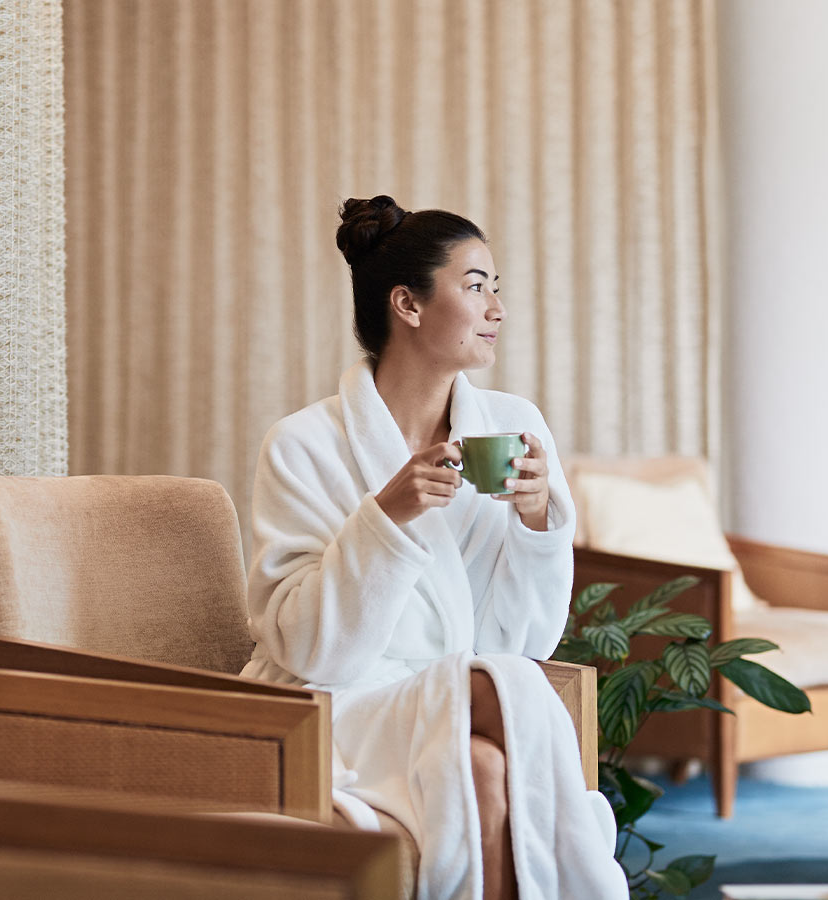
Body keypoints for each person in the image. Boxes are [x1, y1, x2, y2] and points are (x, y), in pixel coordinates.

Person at [239, 196, 626, 899]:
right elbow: (307, 650)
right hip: (336, 705)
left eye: (496, 287)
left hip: (456, 699)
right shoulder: (303, 445)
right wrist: (386, 518)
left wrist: (538, 524)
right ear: (408, 306)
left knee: (483, 766)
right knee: (499, 687)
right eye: (476, 286)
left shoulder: (513, 424)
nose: (497, 307)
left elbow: (528, 639)